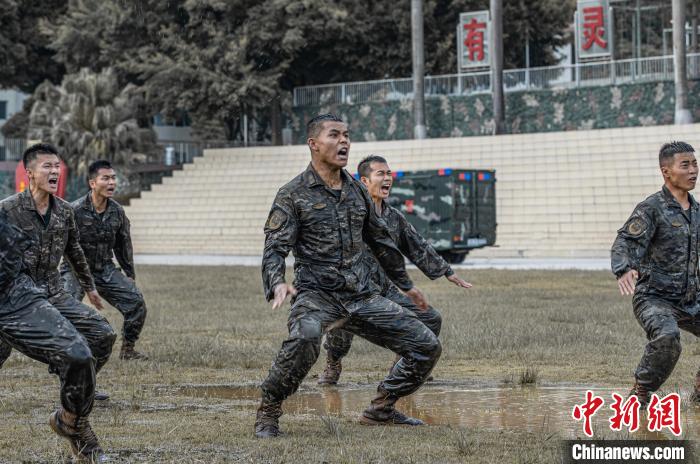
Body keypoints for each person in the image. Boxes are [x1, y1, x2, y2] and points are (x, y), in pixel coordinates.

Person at [255, 114, 442, 438]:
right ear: (313, 144)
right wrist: (277, 282)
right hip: (317, 295)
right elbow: (274, 248)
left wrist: (406, 286)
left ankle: (381, 408)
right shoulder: (293, 194)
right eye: (334, 135)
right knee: (304, 340)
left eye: (346, 135)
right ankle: (269, 409)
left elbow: (380, 241)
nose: (344, 141)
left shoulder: (356, 192)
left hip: (362, 296)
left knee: (426, 345)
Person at [0, 143, 116, 460]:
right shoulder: (7, 210)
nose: (54, 171)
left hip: (52, 292)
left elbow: (74, 251)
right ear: (30, 173)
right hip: (17, 299)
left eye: (57, 166)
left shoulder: (64, 210)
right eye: (47, 166)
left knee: (100, 336)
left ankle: (71, 415)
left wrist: (90, 288)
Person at [318, 155, 471, 385]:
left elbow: (416, 244)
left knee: (430, 317)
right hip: (352, 288)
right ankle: (333, 364)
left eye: (389, 174)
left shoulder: (393, 217)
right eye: (380, 174)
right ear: (364, 181)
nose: (387, 178)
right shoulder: (348, 215)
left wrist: (447, 271)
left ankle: (406, 367)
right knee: (341, 324)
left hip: (384, 288)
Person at [612, 141, 700, 405]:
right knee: (667, 337)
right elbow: (625, 242)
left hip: (691, 299)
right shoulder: (651, 208)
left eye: (695, 164)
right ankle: (640, 393)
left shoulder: (697, 211)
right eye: (685, 165)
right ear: (666, 171)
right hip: (654, 298)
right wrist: (624, 268)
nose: (693, 170)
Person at [61, 160, 148, 360]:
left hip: (104, 269)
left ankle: (128, 350)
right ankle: (67, 352)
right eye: (106, 178)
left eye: (113, 178)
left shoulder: (117, 211)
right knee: (66, 309)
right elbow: (62, 245)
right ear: (93, 183)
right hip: (75, 270)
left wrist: (129, 274)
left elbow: (123, 245)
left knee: (136, 303)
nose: (111, 183)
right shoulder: (74, 211)